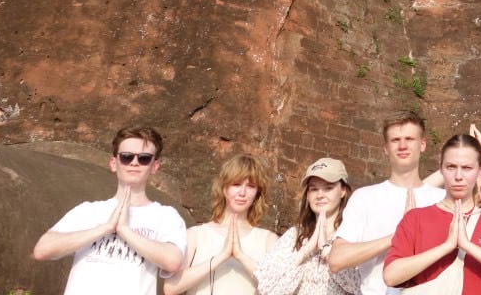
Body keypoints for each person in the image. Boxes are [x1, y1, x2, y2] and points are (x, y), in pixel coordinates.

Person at [32, 125, 187, 295]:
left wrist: (125, 231)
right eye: (126, 157)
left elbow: (173, 261)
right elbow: (42, 250)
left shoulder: (165, 215)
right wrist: (104, 228)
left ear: (155, 166)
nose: (134, 162)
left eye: (144, 158)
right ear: (114, 163)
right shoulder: (88, 210)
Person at [382, 133, 481, 294]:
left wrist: (467, 246)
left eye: (467, 168)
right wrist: (447, 246)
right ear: (441, 168)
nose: (458, 176)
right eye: (451, 167)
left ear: (480, 170)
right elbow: (391, 276)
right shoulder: (416, 218)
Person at [328, 110, 446, 295]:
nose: (402, 145)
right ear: (386, 148)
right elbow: (336, 260)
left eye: (409, 139)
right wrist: (397, 236)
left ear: (422, 144)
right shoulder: (364, 198)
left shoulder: (442, 199)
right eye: (395, 140)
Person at [164, 154, 279, 295]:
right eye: (236, 184)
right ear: (224, 188)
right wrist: (220, 257)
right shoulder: (195, 235)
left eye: (250, 186)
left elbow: (280, 288)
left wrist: (241, 256)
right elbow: (170, 287)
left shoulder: (269, 241)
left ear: (257, 193)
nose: (242, 193)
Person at [256, 158, 360, 295]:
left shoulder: (353, 236)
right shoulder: (294, 235)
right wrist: (305, 251)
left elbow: (360, 286)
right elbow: (268, 289)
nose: (320, 195)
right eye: (314, 189)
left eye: (328, 188)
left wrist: (327, 252)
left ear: (343, 191)